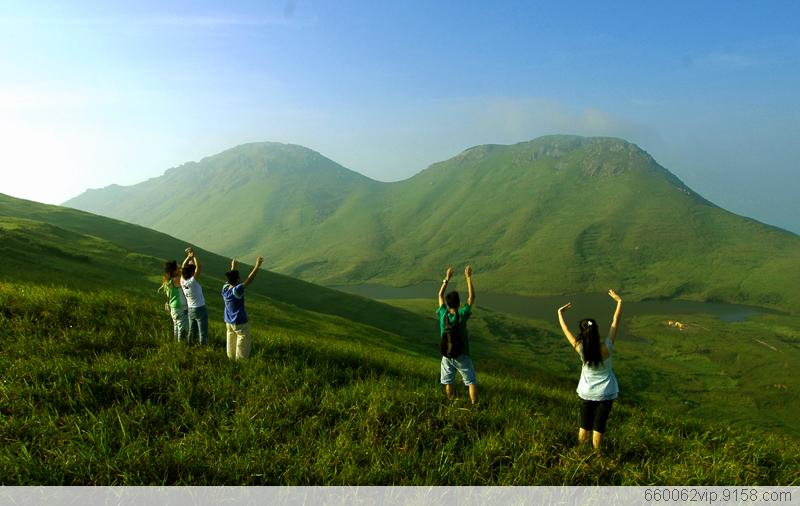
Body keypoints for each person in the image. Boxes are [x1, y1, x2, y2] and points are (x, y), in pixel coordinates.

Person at [557, 289, 623, 450]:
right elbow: (615, 321)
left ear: (583, 333)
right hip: (606, 392)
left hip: (587, 392)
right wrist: (619, 302)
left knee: (584, 424)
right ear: (596, 331)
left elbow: (565, 331)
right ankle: (597, 454)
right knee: (599, 426)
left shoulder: (580, 348)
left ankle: (580, 451)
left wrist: (560, 314)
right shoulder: (607, 347)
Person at [436, 265, 478, 405]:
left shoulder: (443, 314)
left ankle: (449, 402)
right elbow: (471, 297)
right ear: (459, 303)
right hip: (462, 354)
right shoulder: (462, 314)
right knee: (471, 381)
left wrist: (446, 279)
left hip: (447, 355)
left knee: (448, 381)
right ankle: (474, 406)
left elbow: (440, 295)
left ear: (447, 304)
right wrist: (468, 277)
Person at [222, 256, 264, 360]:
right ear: (238, 280)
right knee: (242, 343)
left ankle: (230, 358)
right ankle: (240, 363)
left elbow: (231, 279)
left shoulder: (225, 288)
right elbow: (249, 279)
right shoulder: (237, 290)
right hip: (239, 322)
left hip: (228, 322)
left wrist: (233, 267)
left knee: (231, 340)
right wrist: (257, 266)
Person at [180, 248, 209, 346]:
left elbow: (183, 266)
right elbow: (199, 267)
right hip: (200, 308)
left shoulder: (182, 281)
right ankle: (203, 348)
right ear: (192, 274)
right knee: (203, 331)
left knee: (192, 330)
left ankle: (189, 345)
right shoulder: (192, 282)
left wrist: (188, 257)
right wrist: (194, 255)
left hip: (191, 309)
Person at [159, 260, 188, 342]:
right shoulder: (177, 280)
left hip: (173, 308)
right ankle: (181, 346)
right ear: (174, 271)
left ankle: (176, 344)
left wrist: (178, 269)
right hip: (180, 307)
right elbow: (185, 274)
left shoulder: (167, 281)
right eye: (177, 268)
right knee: (182, 329)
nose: (179, 269)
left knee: (176, 327)